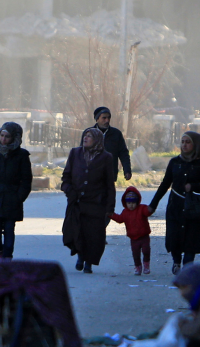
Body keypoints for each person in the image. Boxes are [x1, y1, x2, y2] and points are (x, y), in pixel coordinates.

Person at [148, 131, 200, 275]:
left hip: (194, 209)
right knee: (174, 237)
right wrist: (153, 205)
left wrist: (193, 187)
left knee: (191, 239)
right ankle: (176, 262)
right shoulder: (174, 162)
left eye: (188, 142)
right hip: (175, 207)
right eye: (182, 142)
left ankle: (188, 267)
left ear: (196, 145)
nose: (184, 145)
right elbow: (165, 184)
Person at [61, 128, 115, 274]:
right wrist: (69, 191)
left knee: (93, 234)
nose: (86, 138)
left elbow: (109, 184)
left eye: (90, 136)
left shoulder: (106, 157)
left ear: (97, 140)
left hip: (96, 203)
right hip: (77, 201)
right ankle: (80, 256)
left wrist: (110, 207)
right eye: (85, 135)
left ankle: (89, 263)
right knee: (76, 231)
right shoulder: (75, 153)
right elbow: (66, 177)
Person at [0, 122, 33, 260]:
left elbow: (26, 180)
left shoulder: (21, 155)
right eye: (2, 135)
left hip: (12, 198)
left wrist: (19, 197)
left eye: (7, 136)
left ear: (14, 138)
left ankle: (8, 258)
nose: (3, 139)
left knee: (9, 229)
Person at [109, 186, 153, 275]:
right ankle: (138, 267)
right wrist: (111, 215)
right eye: (129, 203)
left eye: (133, 203)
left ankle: (146, 265)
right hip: (133, 238)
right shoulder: (125, 212)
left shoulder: (142, 208)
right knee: (135, 254)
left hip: (144, 236)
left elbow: (147, 212)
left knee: (146, 251)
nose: (131, 205)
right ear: (126, 203)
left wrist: (151, 208)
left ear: (137, 202)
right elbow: (120, 219)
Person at [81, 107, 132, 181]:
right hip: (91, 175)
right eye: (104, 118)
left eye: (108, 118)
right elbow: (82, 153)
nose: (107, 120)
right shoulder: (89, 133)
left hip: (109, 175)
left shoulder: (116, 134)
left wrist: (127, 170)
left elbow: (123, 153)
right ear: (97, 119)